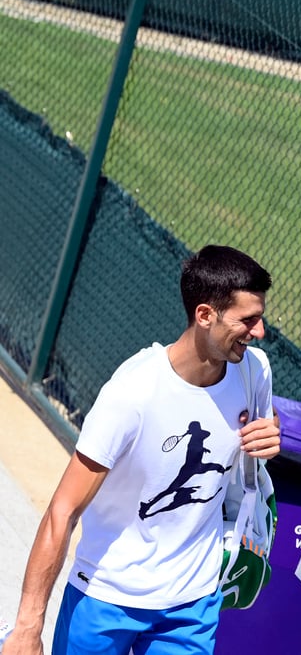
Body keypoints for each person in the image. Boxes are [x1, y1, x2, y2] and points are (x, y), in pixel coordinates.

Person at [6, 245, 282, 655]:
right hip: (105, 596)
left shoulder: (254, 371)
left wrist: (273, 433)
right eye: (248, 320)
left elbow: (262, 428)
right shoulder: (131, 396)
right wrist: (27, 628)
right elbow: (62, 511)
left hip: (192, 600)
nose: (259, 331)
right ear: (205, 315)